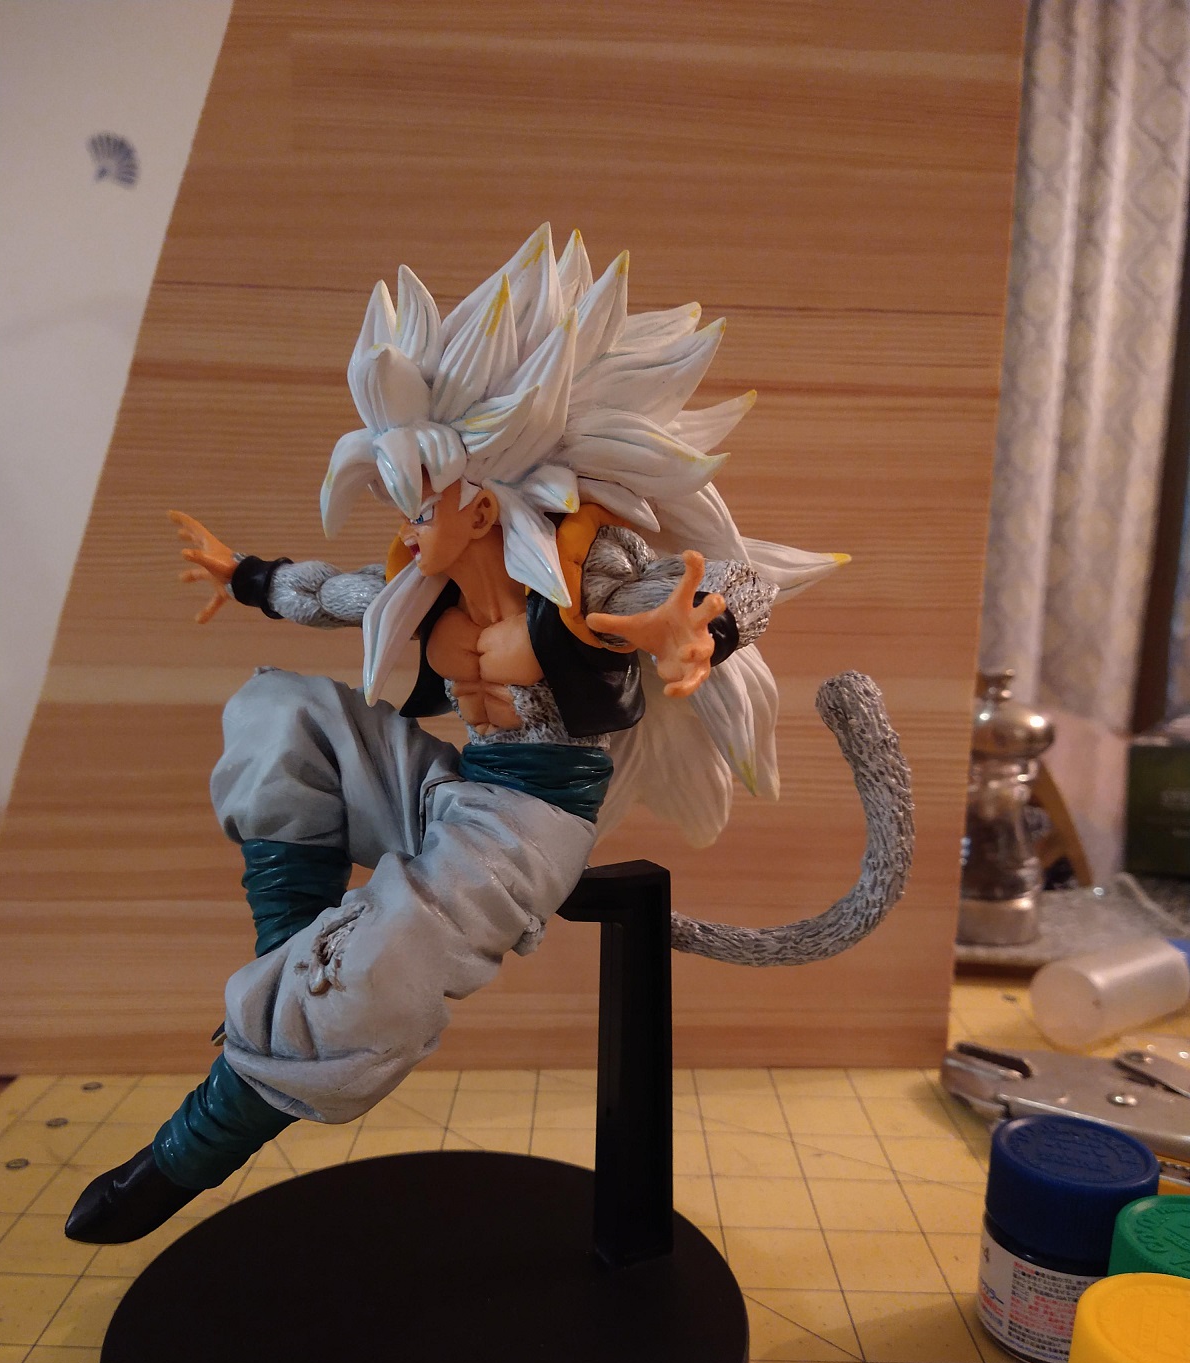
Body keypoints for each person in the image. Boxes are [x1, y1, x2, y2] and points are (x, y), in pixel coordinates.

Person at [65, 226, 907, 1246]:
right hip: (455, 789)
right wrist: (242, 574)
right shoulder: (428, 582)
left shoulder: (588, 577)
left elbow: (741, 582)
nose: (405, 516)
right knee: (278, 714)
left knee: (374, 980)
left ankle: (185, 1153)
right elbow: (333, 595)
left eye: (420, 493)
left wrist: (703, 630)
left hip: (532, 823)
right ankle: (295, 966)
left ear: (483, 488)